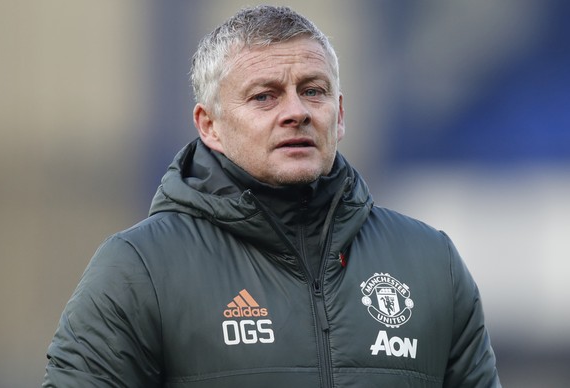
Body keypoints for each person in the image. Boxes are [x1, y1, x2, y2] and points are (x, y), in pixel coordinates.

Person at [43, 5, 500, 387]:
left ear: (338, 114)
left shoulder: (429, 262)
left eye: (313, 91)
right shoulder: (140, 268)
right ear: (209, 125)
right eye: (265, 96)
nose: (296, 112)